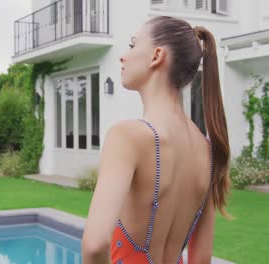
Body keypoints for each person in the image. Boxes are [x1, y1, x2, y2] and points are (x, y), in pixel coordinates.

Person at [81, 16, 231, 264]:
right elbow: (202, 258)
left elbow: (96, 244)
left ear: (156, 56)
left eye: (132, 45)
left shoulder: (127, 136)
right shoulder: (209, 151)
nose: (123, 56)